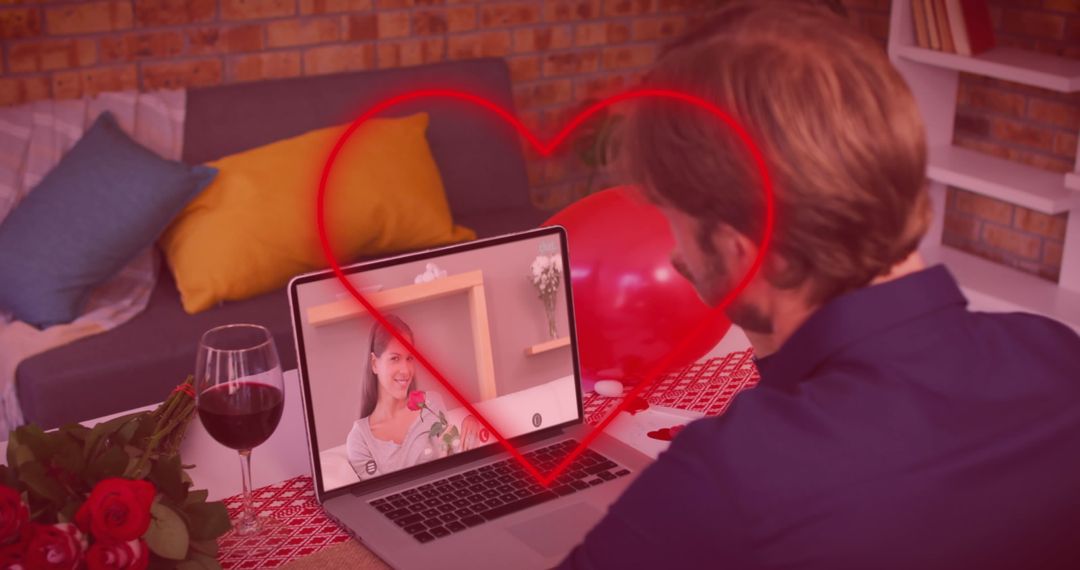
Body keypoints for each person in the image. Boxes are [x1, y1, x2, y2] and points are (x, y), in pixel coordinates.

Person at [559, 2, 1080, 569]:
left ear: (738, 249)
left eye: (674, 223)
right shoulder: (1057, 355)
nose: (676, 254)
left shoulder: (727, 479)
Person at [346, 314, 449, 480]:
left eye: (409, 358)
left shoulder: (432, 404)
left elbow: (453, 459)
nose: (406, 370)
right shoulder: (360, 440)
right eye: (395, 358)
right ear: (374, 364)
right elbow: (377, 492)